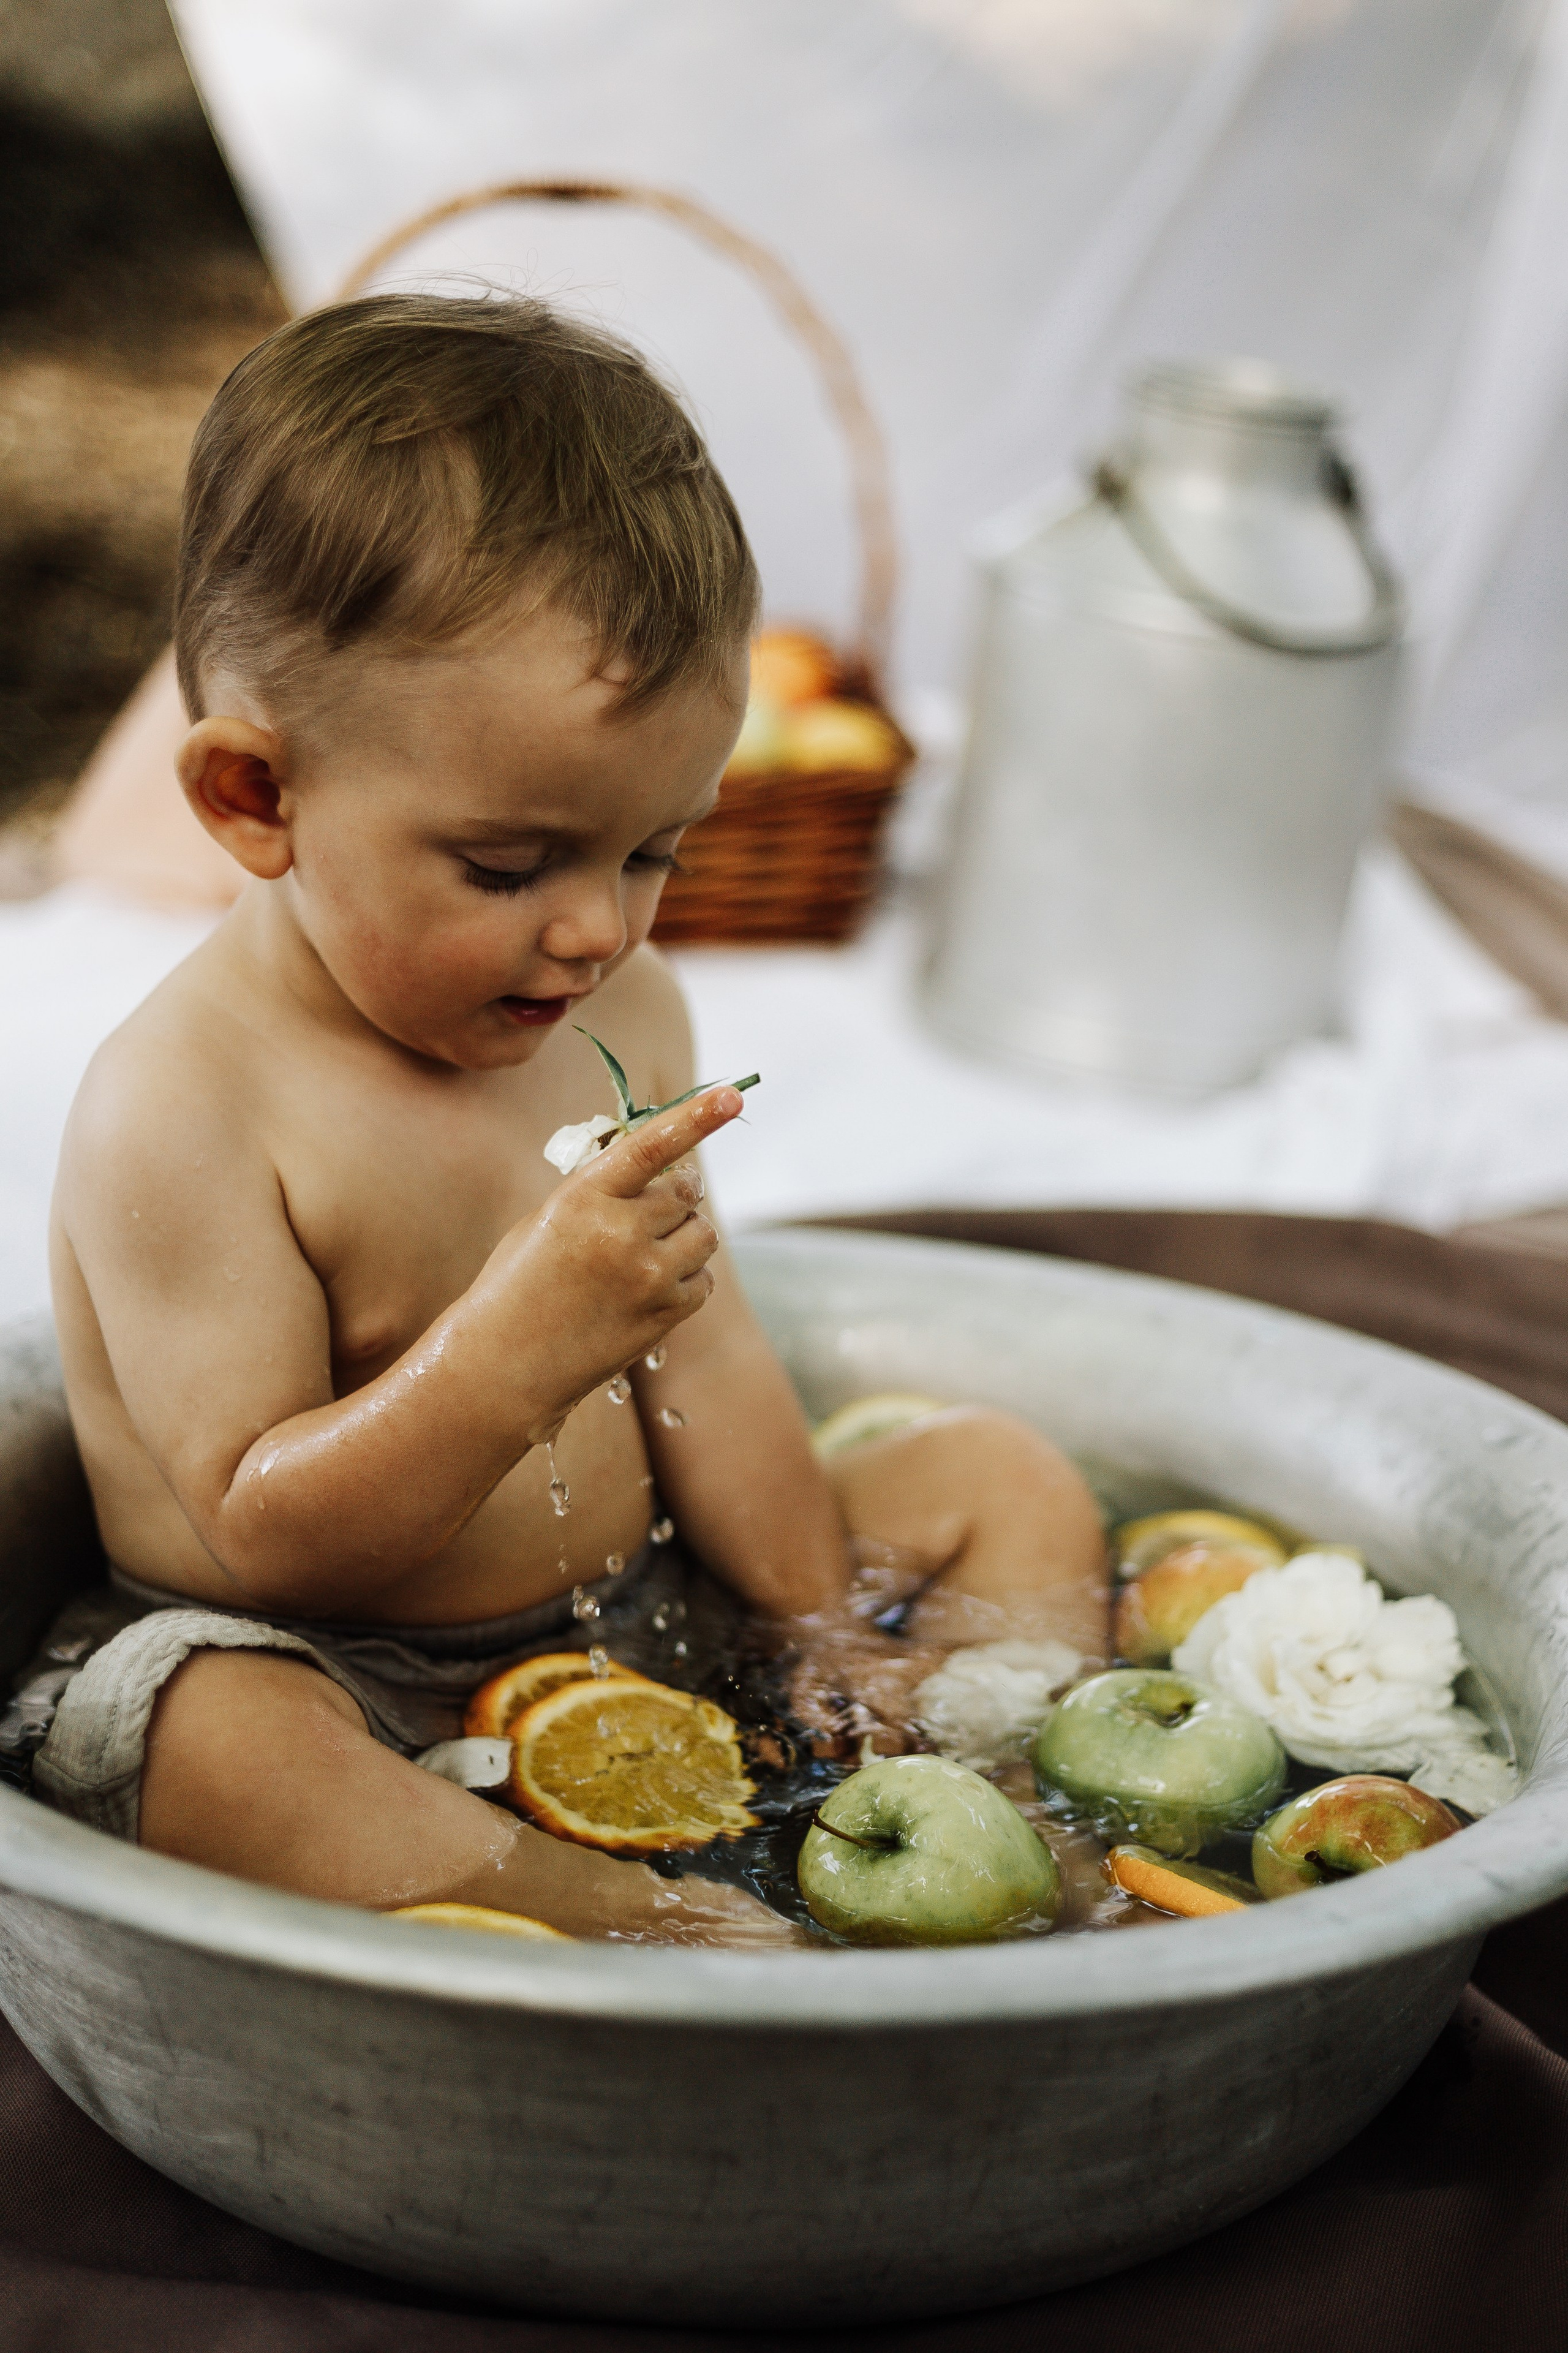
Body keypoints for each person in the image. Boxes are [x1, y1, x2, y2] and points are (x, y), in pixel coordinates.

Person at [33, 294, 1107, 1943]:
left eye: (652, 848)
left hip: (645, 1613)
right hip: (344, 1673)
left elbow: (709, 1352)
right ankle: (644, 1929)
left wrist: (817, 1616)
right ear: (259, 797)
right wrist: (506, 1354)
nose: (601, 926)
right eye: (511, 863)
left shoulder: (618, 1007)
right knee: (202, 1743)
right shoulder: (184, 1109)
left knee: (1003, 1472)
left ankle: (1024, 1816)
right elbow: (257, 1534)